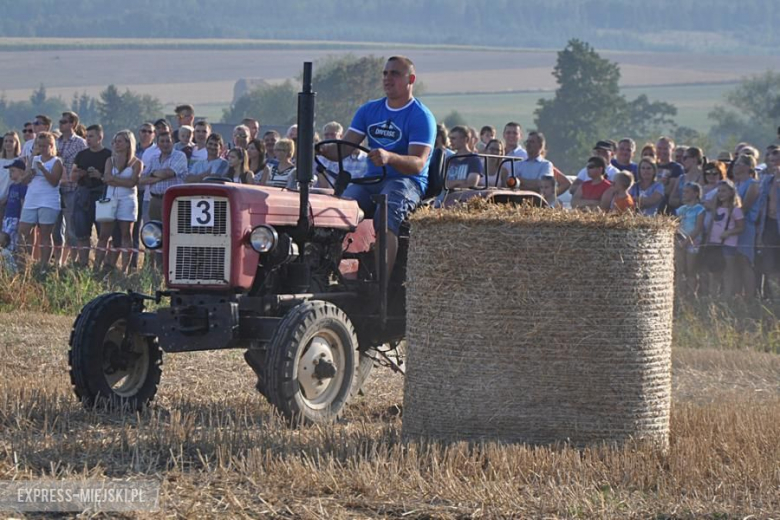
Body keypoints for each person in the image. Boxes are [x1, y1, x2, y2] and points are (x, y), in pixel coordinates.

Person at [322, 55, 436, 276]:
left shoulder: (420, 116)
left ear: (410, 78)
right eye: (385, 73)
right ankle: (330, 275)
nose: (387, 78)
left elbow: (418, 164)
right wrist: (323, 150)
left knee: (386, 214)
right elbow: (344, 148)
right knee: (338, 211)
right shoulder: (369, 111)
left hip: (406, 182)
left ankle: (380, 289)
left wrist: (390, 157)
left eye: (395, 73)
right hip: (371, 181)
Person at [94, 130, 141, 272]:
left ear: (128, 143)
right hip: (110, 199)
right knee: (103, 234)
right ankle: (97, 266)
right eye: (114, 141)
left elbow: (132, 182)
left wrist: (114, 180)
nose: (116, 144)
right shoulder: (110, 160)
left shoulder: (137, 163)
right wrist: (118, 180)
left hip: (127, 200)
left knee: (126, 233)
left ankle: (124, 269)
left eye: (120, 141)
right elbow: (107, 178)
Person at [18, 132, 63, 266]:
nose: (42, 148)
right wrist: (30, 173)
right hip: (31, 199)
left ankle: (44, 265)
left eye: (44, 146)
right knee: (22, 232)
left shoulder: (56, 162)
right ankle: (22, 263)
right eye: (39, 145)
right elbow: (24, 181)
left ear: (51, 146)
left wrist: (43, 169)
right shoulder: (34, 159)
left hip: (48, 201)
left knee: (45, 234)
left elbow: (55, 182)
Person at [71, 124, 112, 267]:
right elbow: (72, 176)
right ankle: (83, 263)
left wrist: (100, 175)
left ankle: (99, 264)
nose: (88, 139)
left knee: (103, 234)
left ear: (100, 137)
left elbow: (111, 177)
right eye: (87, 136)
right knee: (82, 233)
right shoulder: (81, 154)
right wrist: (79, 174)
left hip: (102, 195)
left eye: (91, 136)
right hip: (83, 194)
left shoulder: (108, 155)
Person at [56, 111, 88, 265]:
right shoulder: (56, 141)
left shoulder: (80, 143)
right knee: (56, 230)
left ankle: (74, 260)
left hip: (72, 189)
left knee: (71, 228)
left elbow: (83, 166)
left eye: (64, 121)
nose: (60, 124)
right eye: (60, 121)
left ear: (72, 124)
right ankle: (57, 261)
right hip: (55, 189)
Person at [704, 180, 744, 298]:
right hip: (714, 243)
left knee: (727, 271)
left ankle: (727, 297)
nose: (721, 194)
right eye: (719, 191)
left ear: (731, 192)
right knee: (714, 271)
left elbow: (741, 227)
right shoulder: (716, 208)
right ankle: (713, 296)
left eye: (724, 191)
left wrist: (729, 232)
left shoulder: (735, 210)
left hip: (728, 244)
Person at [139, 132, 188, 223]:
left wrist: (153, 174)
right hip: (155, 200)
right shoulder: (154, 158)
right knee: (154, 231)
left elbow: (169, 173)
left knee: (171, 229)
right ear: (158, 144)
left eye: (168, 141)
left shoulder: (179, 156)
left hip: (172, 200)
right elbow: (141, 179)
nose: (165, 144)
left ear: (172, 142)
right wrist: (159, 176)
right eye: (162, 141)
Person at [733, 154, 760, 297]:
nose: (736, 166)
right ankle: (738, 295)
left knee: (745, 260)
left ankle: (750, 296)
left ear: (749, 167)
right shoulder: (736, 184)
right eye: (736, 164)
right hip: (733, 226)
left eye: (740, 164)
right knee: (736, 261)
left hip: (746, 225)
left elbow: (746, 206)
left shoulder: (753, 184)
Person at [675, 182, 706, 297]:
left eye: (687, 192)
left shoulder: (700, 209)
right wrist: (679, 240)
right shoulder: (680, 209)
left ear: (696, 193)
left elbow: (698, 228)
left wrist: (686, 241)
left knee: (691, 270)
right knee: (680, 269)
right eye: (684, 192)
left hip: (693, 242)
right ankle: (680, 294)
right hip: (680, 241)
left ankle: (692, 294)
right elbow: (676, 225)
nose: (684, 194)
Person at [2, 159, 27, 252]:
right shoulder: (12, 186)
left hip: (15, 218)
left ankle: (12, 263)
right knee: (4, 239)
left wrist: (21, 219)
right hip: (7, 217)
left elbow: (23, 202)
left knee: (11, 241)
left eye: (13, 171)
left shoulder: (23, 186)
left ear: (21, 172)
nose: (10, 173)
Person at [0, 131, 22, 222]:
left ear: (16, 143)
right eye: (6, 141)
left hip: (10, 200)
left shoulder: (19, 161)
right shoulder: (1, 161)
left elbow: (20, 182)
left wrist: (6, 198)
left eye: (11, 141)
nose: (8, 144)